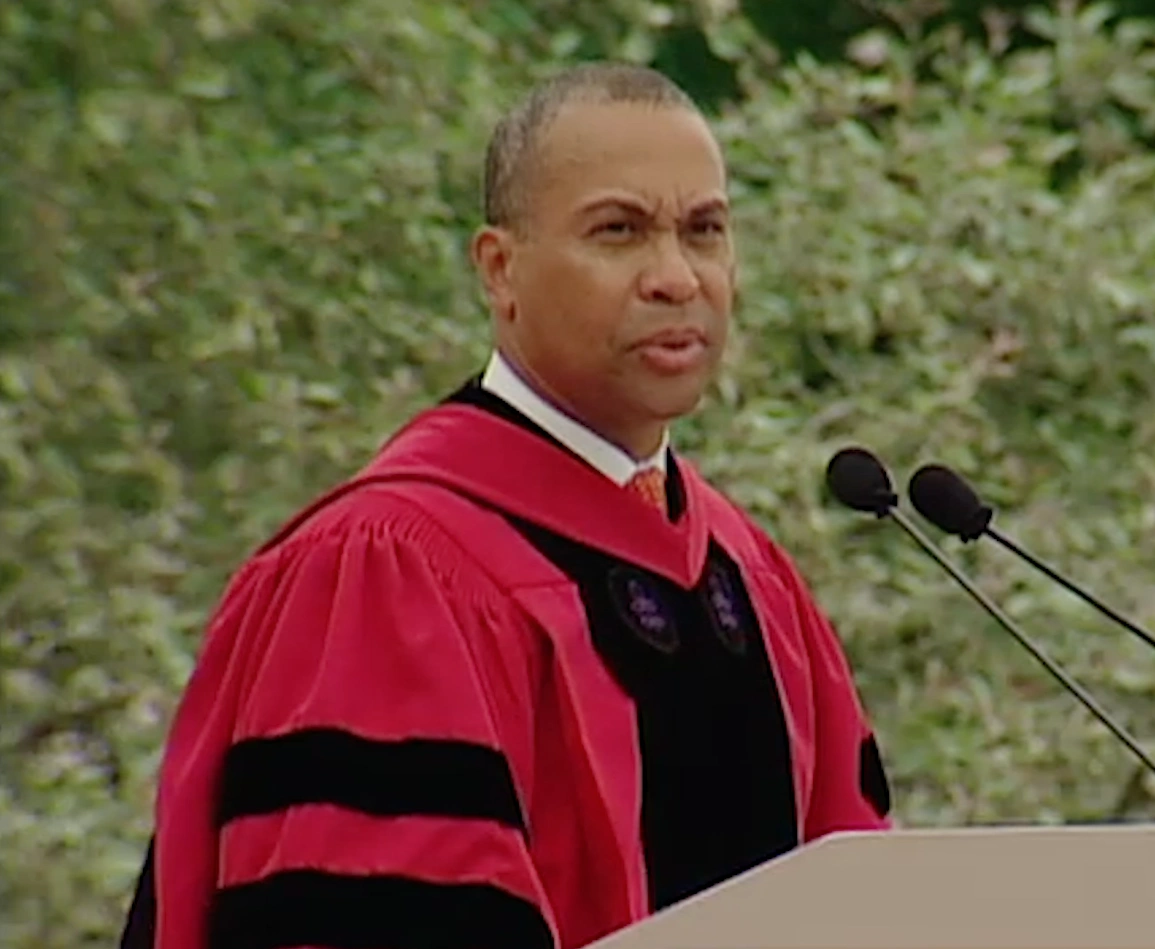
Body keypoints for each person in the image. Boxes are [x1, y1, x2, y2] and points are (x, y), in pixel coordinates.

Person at [119, 62, 893, 949]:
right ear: (500, 268)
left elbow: (860, 890)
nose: (676, 276)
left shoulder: (750, 577)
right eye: (619, 231)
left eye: (704, 230)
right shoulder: (389, 571)